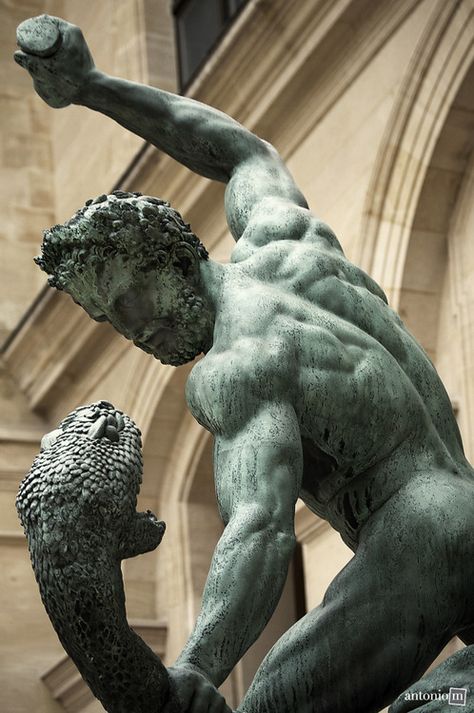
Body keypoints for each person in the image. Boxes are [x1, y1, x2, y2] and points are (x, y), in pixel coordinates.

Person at [15, 16, 474, 713]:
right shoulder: (283, 238)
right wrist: (92, 86)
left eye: (129, 303)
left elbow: (260, 526)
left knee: (269, 705)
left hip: (424, 539)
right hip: (460, 502)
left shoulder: (235, 367)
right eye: (111, 321)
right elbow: (239, 149)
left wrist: (200, 661)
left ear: (169, 258)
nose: (135, 332)